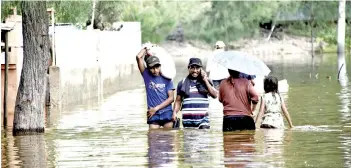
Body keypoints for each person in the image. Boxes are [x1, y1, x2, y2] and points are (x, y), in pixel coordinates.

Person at [136, 47, 175, 129]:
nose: (155, 70)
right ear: (148, 68)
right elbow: (138, 57)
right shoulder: (146, 76)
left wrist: (156, 108)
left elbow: (171, 98)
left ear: (160, 66)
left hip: (166, 112)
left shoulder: (167, 78)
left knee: (168, 138)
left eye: (157, 67)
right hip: (153, 114)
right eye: (152, 68)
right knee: (152, 138)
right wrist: (146, 48)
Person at [173, 58, 217, 129]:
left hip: (203, 121)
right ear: (188, 68)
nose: (195, 70)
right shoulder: (182, 83)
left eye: (197, 68)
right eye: (192, 68)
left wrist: (205, 80)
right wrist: (174, 113)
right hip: (188, 121)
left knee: (203, 136)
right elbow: (178, 101)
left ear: (201, 69)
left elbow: (215, 95)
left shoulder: (207, 82)